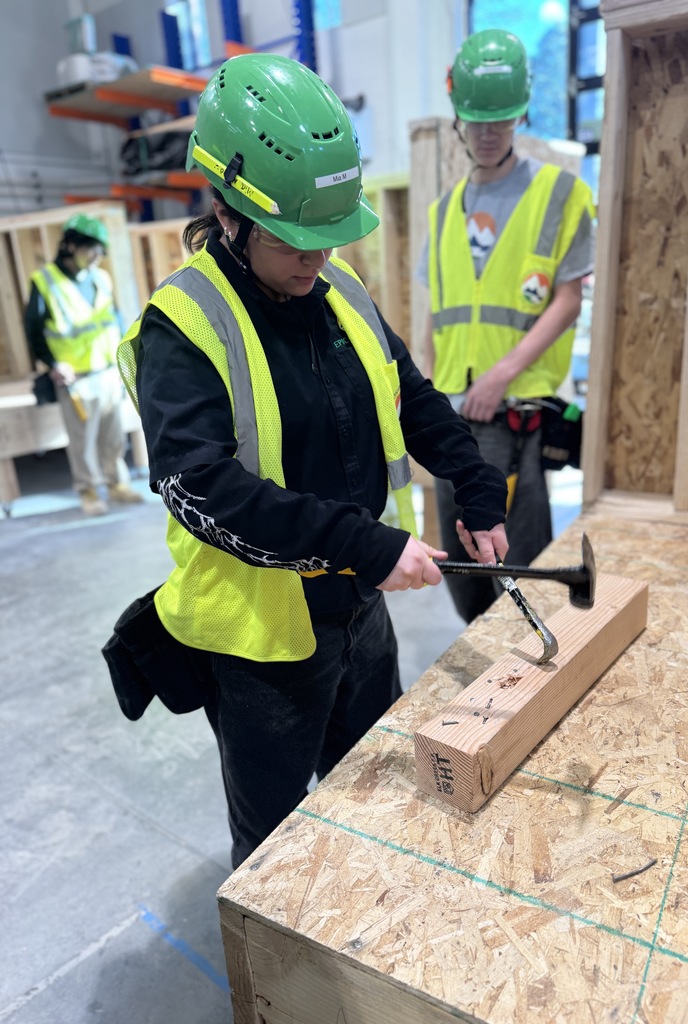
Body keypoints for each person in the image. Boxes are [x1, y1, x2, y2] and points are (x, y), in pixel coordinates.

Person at [113, 52, 509, 869]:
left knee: (375, 800)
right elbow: (203, 486)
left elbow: (411, 394)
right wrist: (363, 543)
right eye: (294, 241)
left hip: (360, 611)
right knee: (276, 851)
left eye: (328, 240)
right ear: (226, 210)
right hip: (263, 644)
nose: (316, 260)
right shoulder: (182, 326)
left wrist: (473, 481)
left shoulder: (337, 287)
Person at [417, 29, 595, 625]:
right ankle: (489, 663)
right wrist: (423, 397)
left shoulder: (560, 193)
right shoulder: (442, 212)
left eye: (501, 119)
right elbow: (437, 317)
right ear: (458, 117)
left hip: (512, 411)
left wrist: (500, 375)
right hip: (451, 413)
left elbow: (568, 300)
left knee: (518, 565)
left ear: (521, 112)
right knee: (461, 566)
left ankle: (527, 661)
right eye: (476, 121)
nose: (488, 133)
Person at [24, 213, 144, 516]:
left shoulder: (100, 278)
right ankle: (88, 491)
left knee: (113, 436)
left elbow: (113, 320)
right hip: (75, 379)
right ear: (70, 246)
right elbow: (33, 331)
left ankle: (117, 484)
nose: (97, 256)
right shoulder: (45, 282)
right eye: (91, 248)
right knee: (83, 442)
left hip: (107, 372)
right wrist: (53, 363)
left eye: (100, 250)